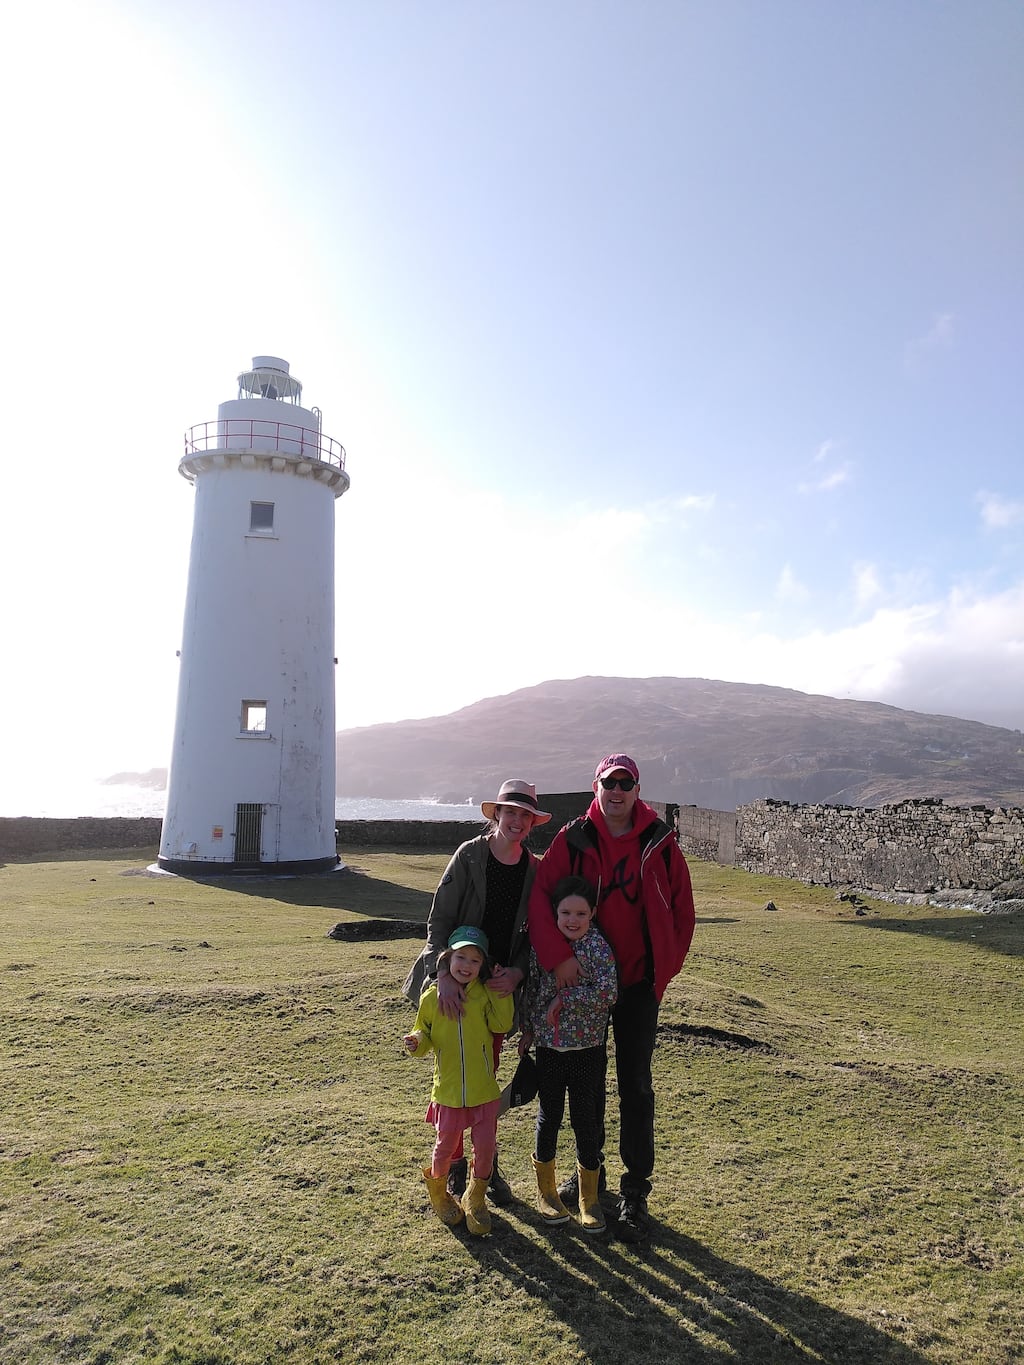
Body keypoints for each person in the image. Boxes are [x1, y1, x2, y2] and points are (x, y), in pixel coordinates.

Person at [527, 754, 696, 1243]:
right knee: (586, 1088)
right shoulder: (574, 838)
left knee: (636, 1088)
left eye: (626, 783)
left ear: (637, 789)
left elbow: (683, 910)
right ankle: (589, 1181)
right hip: (582, 988)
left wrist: (663, 974)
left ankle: (635, 1189)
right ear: (596, 786)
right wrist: (560, 959)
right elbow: (542, 897)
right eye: (609, 782)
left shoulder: (659, 841)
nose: (617, 790)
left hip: (638, 986)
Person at [403, 778, 552, 1203]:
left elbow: (534, 935)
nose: (518, 821)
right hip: (456, 984)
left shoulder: (534, 869)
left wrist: (518, 974)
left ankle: (485, 1168)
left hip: (496, 990)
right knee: (452, 1079)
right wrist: (444, 974)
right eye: (511, 812)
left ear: (532, 822)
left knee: (485, 1083)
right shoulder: (469, 856)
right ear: (496, 815)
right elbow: (439, 922)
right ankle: (451, 1166)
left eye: (526, 815)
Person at [520, 875, 617, 1233]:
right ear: (555, 913)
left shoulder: (598, 948)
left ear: (592, 913)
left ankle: (588, 1198)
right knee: (549, 1117)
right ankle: (546, 1191)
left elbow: (609, 993)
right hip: (549, 1049)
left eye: (580, 913)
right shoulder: (544, 947)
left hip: (587, 1050)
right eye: (565, 913)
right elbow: (532, 987)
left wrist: (567, 998)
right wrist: (529, 1028)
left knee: (585, 1121)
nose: (573, 920)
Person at [404, 925, 514, 1236]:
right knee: (444, 1148)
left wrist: (499, 991)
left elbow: (502, 1023)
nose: (466, 966)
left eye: (475, 961)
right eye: (460, 957)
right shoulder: (431, 997)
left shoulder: (483, 994)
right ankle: (440, 1196)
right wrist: (415, 1042)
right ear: (448, 959)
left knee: (485, 1148)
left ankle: (476, 1198)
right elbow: (423, 1033)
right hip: (449, 1091)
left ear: (483, 966)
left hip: (483, 1091)